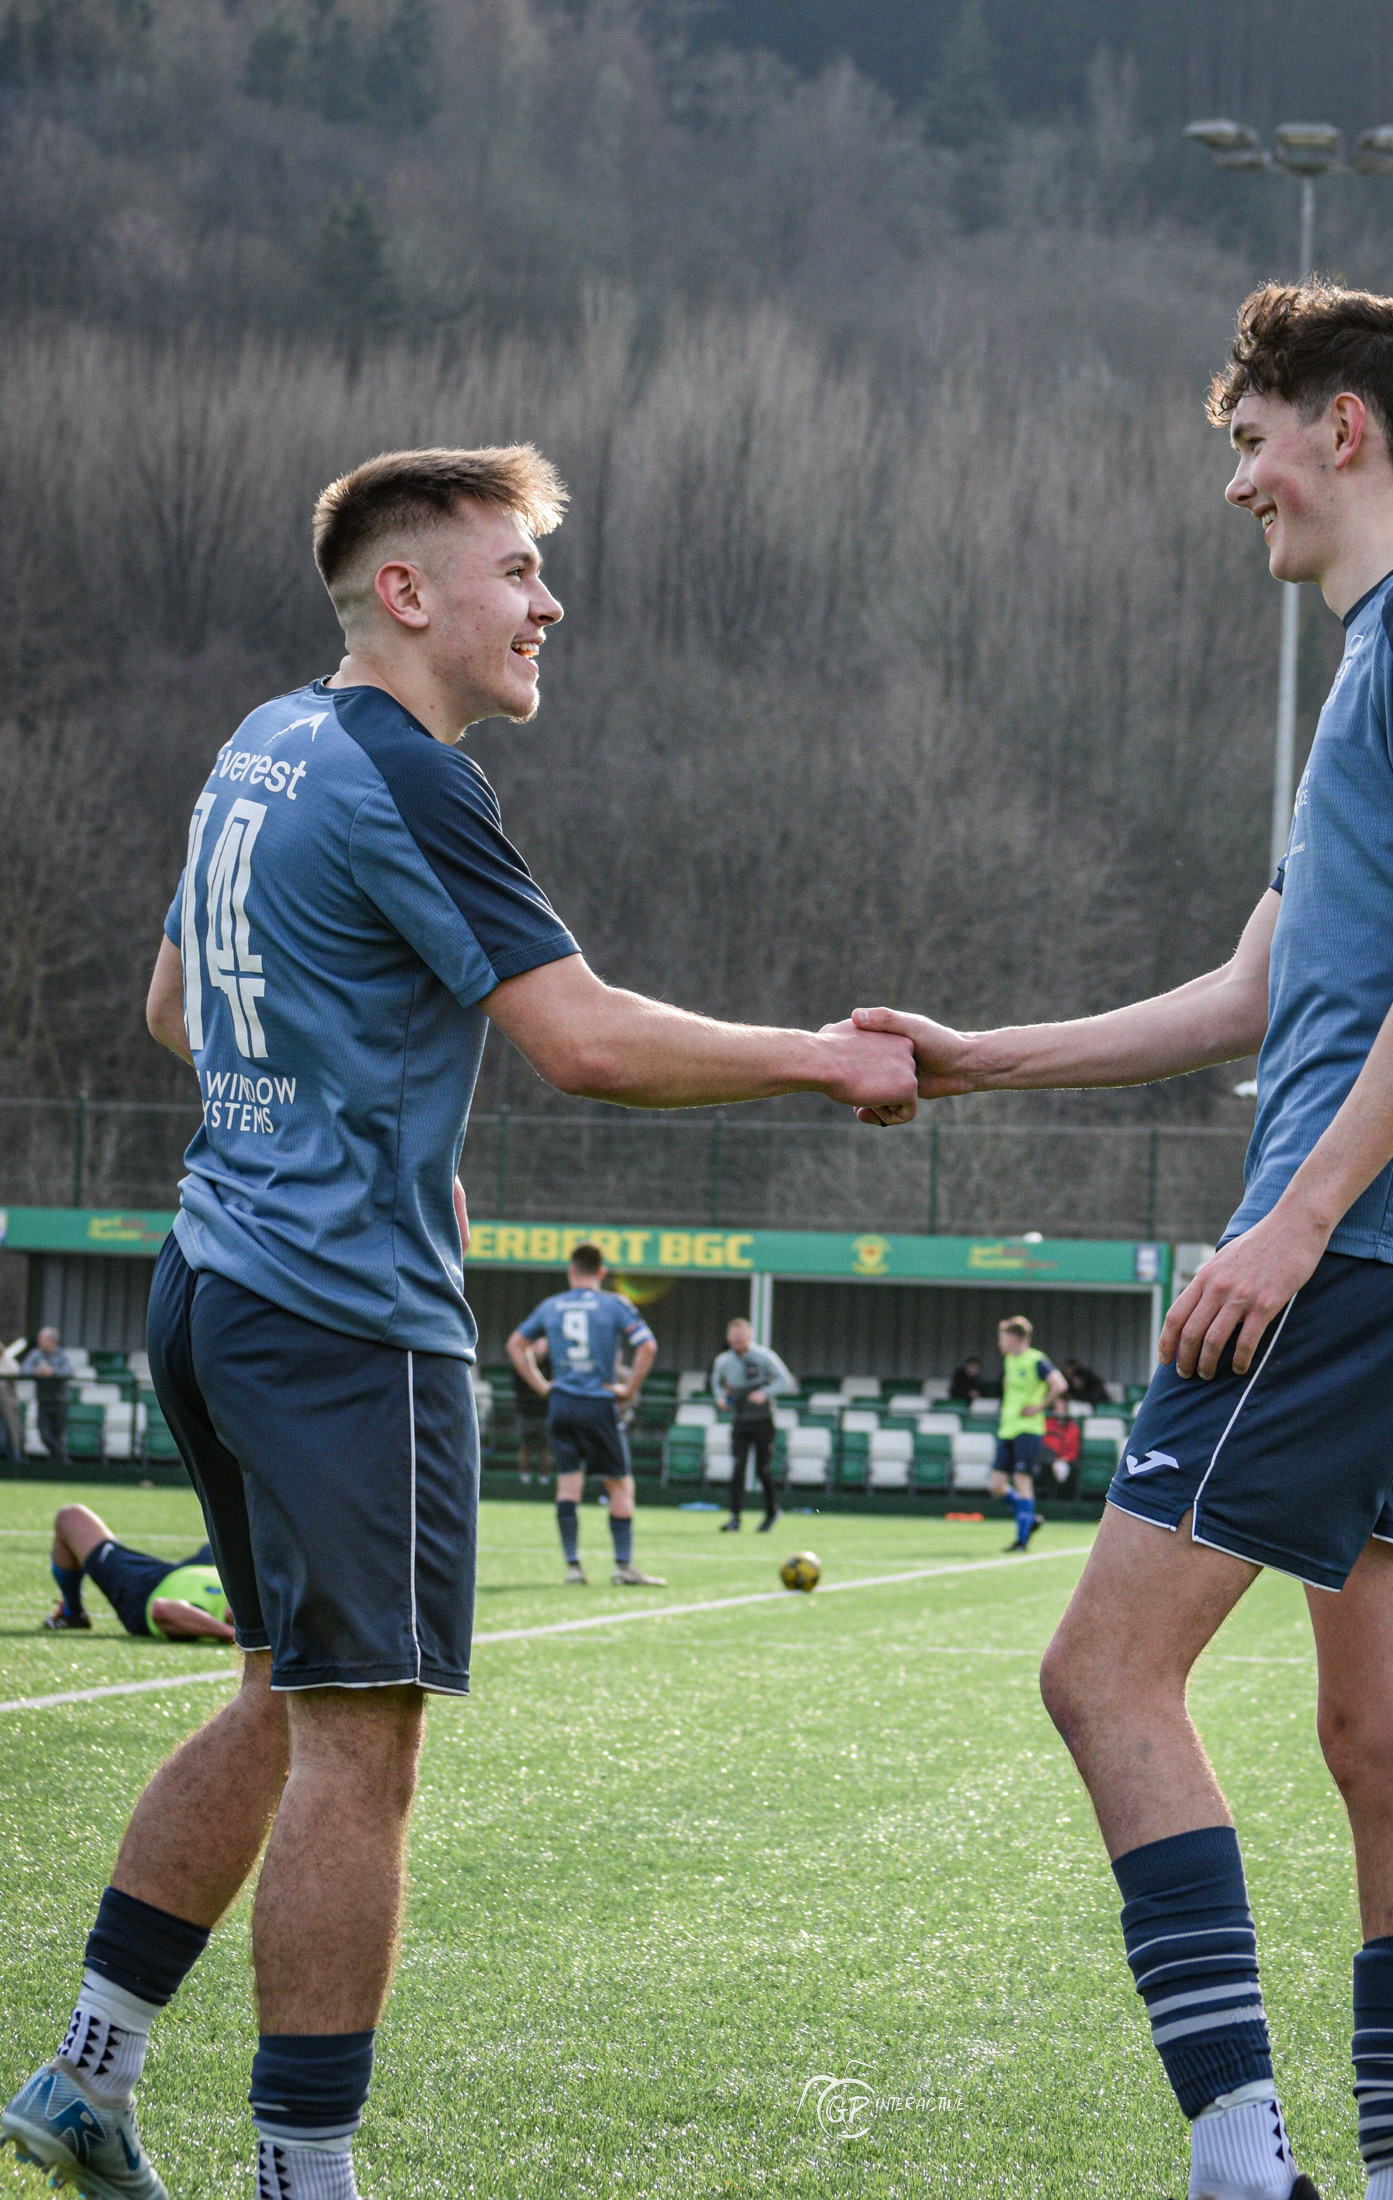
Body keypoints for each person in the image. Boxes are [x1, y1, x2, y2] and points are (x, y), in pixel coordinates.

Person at [1, 445, 915, 2200]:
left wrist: (331, 1103)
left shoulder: (258, 744)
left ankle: (88, 2076)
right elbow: (582, 1037)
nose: (549, 603)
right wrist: (819, 1053)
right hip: (345, 1326)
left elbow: (171, 1006)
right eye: (517, 571)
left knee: (278, 1698)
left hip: (214, 1277)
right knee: (363, 1745)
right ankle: (304, 2178)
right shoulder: (410, 780)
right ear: (408, 595)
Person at [852, 283, 1393, 2200]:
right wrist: (977, 1059)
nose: (1235, 482)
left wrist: (1297, 1218)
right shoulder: (1387, 664)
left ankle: (1247, 2170)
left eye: (1248, 438)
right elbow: (1260, 984)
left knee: (1103, 1676)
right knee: (1384, 1732)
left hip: (1365, 1241)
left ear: (1344, 426)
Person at [507, 1244, 664, 1585]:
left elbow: (515, 1344)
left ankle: (573, 1567)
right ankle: (623, 1567)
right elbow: (647, 1346)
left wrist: (540, 1384)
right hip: (598, 1402)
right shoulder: (613, 1304)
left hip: (561, 1403)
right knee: (620, 1484)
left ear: (571, 1270)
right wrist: (629, 1389)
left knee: (568, 1487)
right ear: (602, 1272)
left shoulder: (552, 1305)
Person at [43, 1504, 234, 1643]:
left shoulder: (210, 1620)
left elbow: (161, 1610)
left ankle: (72, 1613)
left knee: (70, 1518)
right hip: (215, 1568)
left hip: (146, 1588)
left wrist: (230, 1634)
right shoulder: (252, 1594)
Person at [709, 1317, 796, 1533]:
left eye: (741, 1335)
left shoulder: (764, 1356)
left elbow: (784, 1380)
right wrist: (720, 1398)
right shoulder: (723, 1361)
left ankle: (771, 1512)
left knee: (763, 1470)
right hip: (740, 1420)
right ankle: (735, 1518)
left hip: (762, 1420)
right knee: (738, 1468)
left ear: (749, 1336)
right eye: (733, 1336)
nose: (737, 1340)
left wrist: (764, 1393)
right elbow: (716, 1383)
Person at [991, 1317, 1067, 1552]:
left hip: (1028, 1429)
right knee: (996, 1485)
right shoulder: (1009, 1361)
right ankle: (1029, 1518)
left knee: (1023, 1480)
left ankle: (1021, 1541)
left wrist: (1040, 1406)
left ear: (1013, 1338)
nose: (1000, 1343)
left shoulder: (1036, 1360)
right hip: (1008, 1428)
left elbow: (1059, 1384)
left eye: (1002, 1338)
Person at [21, 1326, 74, 1467]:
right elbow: (23, 1370)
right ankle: (66, 1463)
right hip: (43, 1402)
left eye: (42, 1338)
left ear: (51, 1341)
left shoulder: (61, 1355)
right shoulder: (35, 1354)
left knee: (58, 1437)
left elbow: (68, 1372)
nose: (39, 1341)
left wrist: (52, 1371)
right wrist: (36, 1371)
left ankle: (56, 1467)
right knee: (45, 1435)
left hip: (60, 1402)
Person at [0, 1336, 22, 1465]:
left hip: (8, 1405)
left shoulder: (9, 1361)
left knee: (12, 1434)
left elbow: (14, 1372)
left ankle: (15, 1461)